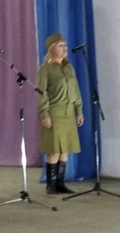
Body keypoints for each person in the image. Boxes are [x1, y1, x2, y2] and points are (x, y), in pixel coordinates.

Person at [36, 33, 84, 195]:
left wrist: (79, 110)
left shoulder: (69, 67)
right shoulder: (45, 69)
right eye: (60, 46)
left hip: (69, 113)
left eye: (65, 45)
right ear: (52, 49)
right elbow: (41, 93)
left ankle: (60, 183)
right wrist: (45, 114)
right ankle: (51, 185)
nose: (65, 48)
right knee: (54, 149)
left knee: (65, 149)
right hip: (54, 113)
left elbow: (75, 90)